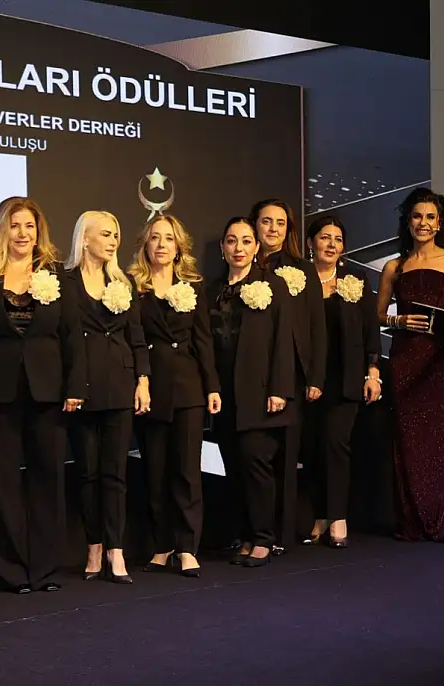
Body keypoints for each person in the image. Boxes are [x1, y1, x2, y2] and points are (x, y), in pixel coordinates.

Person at [0, 197, 86, 594]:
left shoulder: (57, 275)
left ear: (39, 232)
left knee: (47, 479)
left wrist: (75, 386)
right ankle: (8, 572)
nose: (22, 234)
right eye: (15, 226)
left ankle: (44, 570)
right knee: (0, 482)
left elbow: (72, 336)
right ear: (1, 230)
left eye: (29, 226)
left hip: (48, 392)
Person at [376, 187, 444, 542]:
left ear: (440, 223)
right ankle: (413, 521)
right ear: (408, 221)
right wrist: (400, 321)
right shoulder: (394, 267)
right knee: (409, 440)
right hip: (405, 360)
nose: (423, 222)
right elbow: (378, 314)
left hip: (442, 360)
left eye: (430, 217)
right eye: (417, 216)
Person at [128, 214, 220, 578]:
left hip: (188, 388)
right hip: (149, 390)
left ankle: (187, 547)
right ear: (146, 245)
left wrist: (212, 386)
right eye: (155, 237)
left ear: (179, 246)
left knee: (186, 472)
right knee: (155, 471)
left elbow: (204, 341)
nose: (162, 244)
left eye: (168, 238)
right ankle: (161, 545)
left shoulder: (192, 287)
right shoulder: (133, 287)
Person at [63, 210, 150, 584]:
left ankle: (116, 550)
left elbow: (137, 336)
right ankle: (93, 546)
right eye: (105, 234)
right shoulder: (65, 281)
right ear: (85, 238)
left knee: (115, 474)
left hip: (119, 383)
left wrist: (143, 380)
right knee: (88, 473)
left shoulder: (122, 281)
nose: (113, 241)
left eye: (116, 234)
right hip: (82, 387)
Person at [209, 217, 294, 568]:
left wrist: (279, 389)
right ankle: (245, 535)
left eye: (246, 241)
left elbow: (284, 340)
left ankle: (263, 538)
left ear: (256, 246)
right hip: (224, 395)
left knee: (257, 465)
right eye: (232, 241)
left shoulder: (273, 285)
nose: (239, 248)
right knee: (234, 467)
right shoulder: (213, 289)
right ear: (222, 248)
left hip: (259, 394)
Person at [301, 217, 382, 548]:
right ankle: (320, 514)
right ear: (311, 242)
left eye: (337, 239)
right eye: (324, 237)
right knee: (311, 447)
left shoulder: (355, 280)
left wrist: (372, 372)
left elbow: (370, 330)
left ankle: (338, 517)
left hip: (345, 378)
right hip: (306, 379)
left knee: (335, 444)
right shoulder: (297, 280)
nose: (331, 244)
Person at [251, 199, 326, 554]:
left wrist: (315, 378)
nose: (273, 229)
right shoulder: (242, 265)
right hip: (251, 375)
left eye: (280, 223)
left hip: (292, 374)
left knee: (286, 455)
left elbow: (316, 327)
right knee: (253, 456)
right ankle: (253, 530)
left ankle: (280, 534)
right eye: (266, 221)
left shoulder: (302, 269)